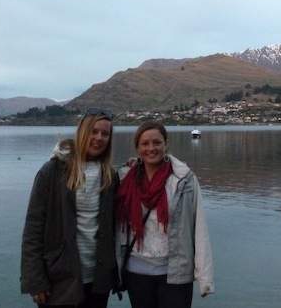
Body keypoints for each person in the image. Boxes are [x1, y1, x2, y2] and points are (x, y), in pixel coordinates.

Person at [21, 110, 118, 308]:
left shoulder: (110, 175)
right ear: (82, 132)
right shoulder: (52, 172)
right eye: (93, 131)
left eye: (105, 134)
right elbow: (33, 229)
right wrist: (35, 280)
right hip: (60, 279)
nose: (99, 138)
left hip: (98, 279)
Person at [116, 121, 213, 308]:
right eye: (145, 144)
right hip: (136, 273)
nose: (151, 148)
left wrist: (205, 277)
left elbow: (199, 227)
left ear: (165, 144)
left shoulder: (184, 180)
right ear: (137, 148)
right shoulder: (124, 179)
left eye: (157, 143)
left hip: (175, 273)